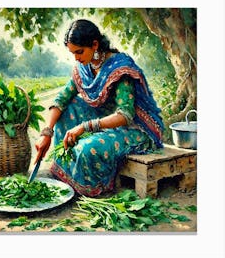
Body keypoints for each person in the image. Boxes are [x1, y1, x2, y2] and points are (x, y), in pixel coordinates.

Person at [34, 19, 164, 197]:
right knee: (67, 108)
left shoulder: (119, 67)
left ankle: (88, 188)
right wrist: (46, 133)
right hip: (102, 120)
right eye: (73, 53)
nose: (76, 58)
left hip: (133, 126)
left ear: (95, 44)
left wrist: (84, 127)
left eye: (79, 52)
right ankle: (66, 177)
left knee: (88, 149)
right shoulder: (83, 68)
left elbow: (125, 115)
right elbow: (61, 99)